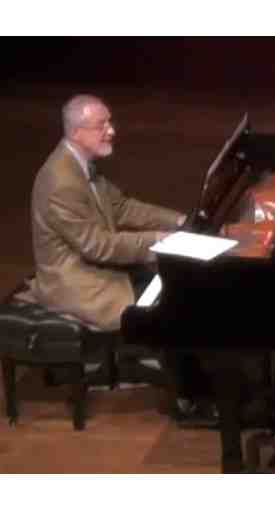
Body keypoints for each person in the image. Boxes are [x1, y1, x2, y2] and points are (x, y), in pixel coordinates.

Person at [15, 94, 214, 427]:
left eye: (110, 122)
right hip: (77, 282)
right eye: (102, 125)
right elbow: (98, 246)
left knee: (174, 288)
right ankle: (188, 399)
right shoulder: (61, 181)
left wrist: (179, 221)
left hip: (96, 268)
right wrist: (159, 241)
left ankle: (194, 382)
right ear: (77, 132)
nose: (111, 130)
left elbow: (121, 207)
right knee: (170, 303)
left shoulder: (79, 164)